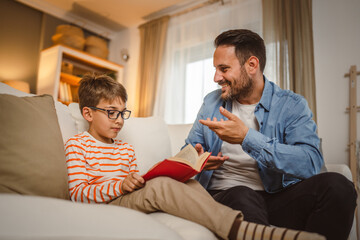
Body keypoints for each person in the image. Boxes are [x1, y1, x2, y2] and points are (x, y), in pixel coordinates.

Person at [64, 74, 325, 240]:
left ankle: (233, 224)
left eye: (123, 113)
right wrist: (120, 185)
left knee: (186, 181)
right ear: (87, 114)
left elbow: (132, 181)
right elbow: (77, 192)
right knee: (162, 186)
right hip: (107, 204)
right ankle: (241, 230)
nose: (119, 120)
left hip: (126, 198)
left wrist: (181, 166)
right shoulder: (77, 145)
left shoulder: (124, 149)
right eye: (111, 112)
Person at [185, 29, 357, 240]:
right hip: (226, 197)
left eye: (224, 69)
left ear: (252, 65)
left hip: (276, 198)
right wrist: (197, 158)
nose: (216, 77)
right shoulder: (211, 103)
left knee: (339, 187)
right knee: (243, 194)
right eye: (216, 69)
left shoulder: (291, 105)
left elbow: (311, 162)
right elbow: (188, 152)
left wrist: (247, 138)